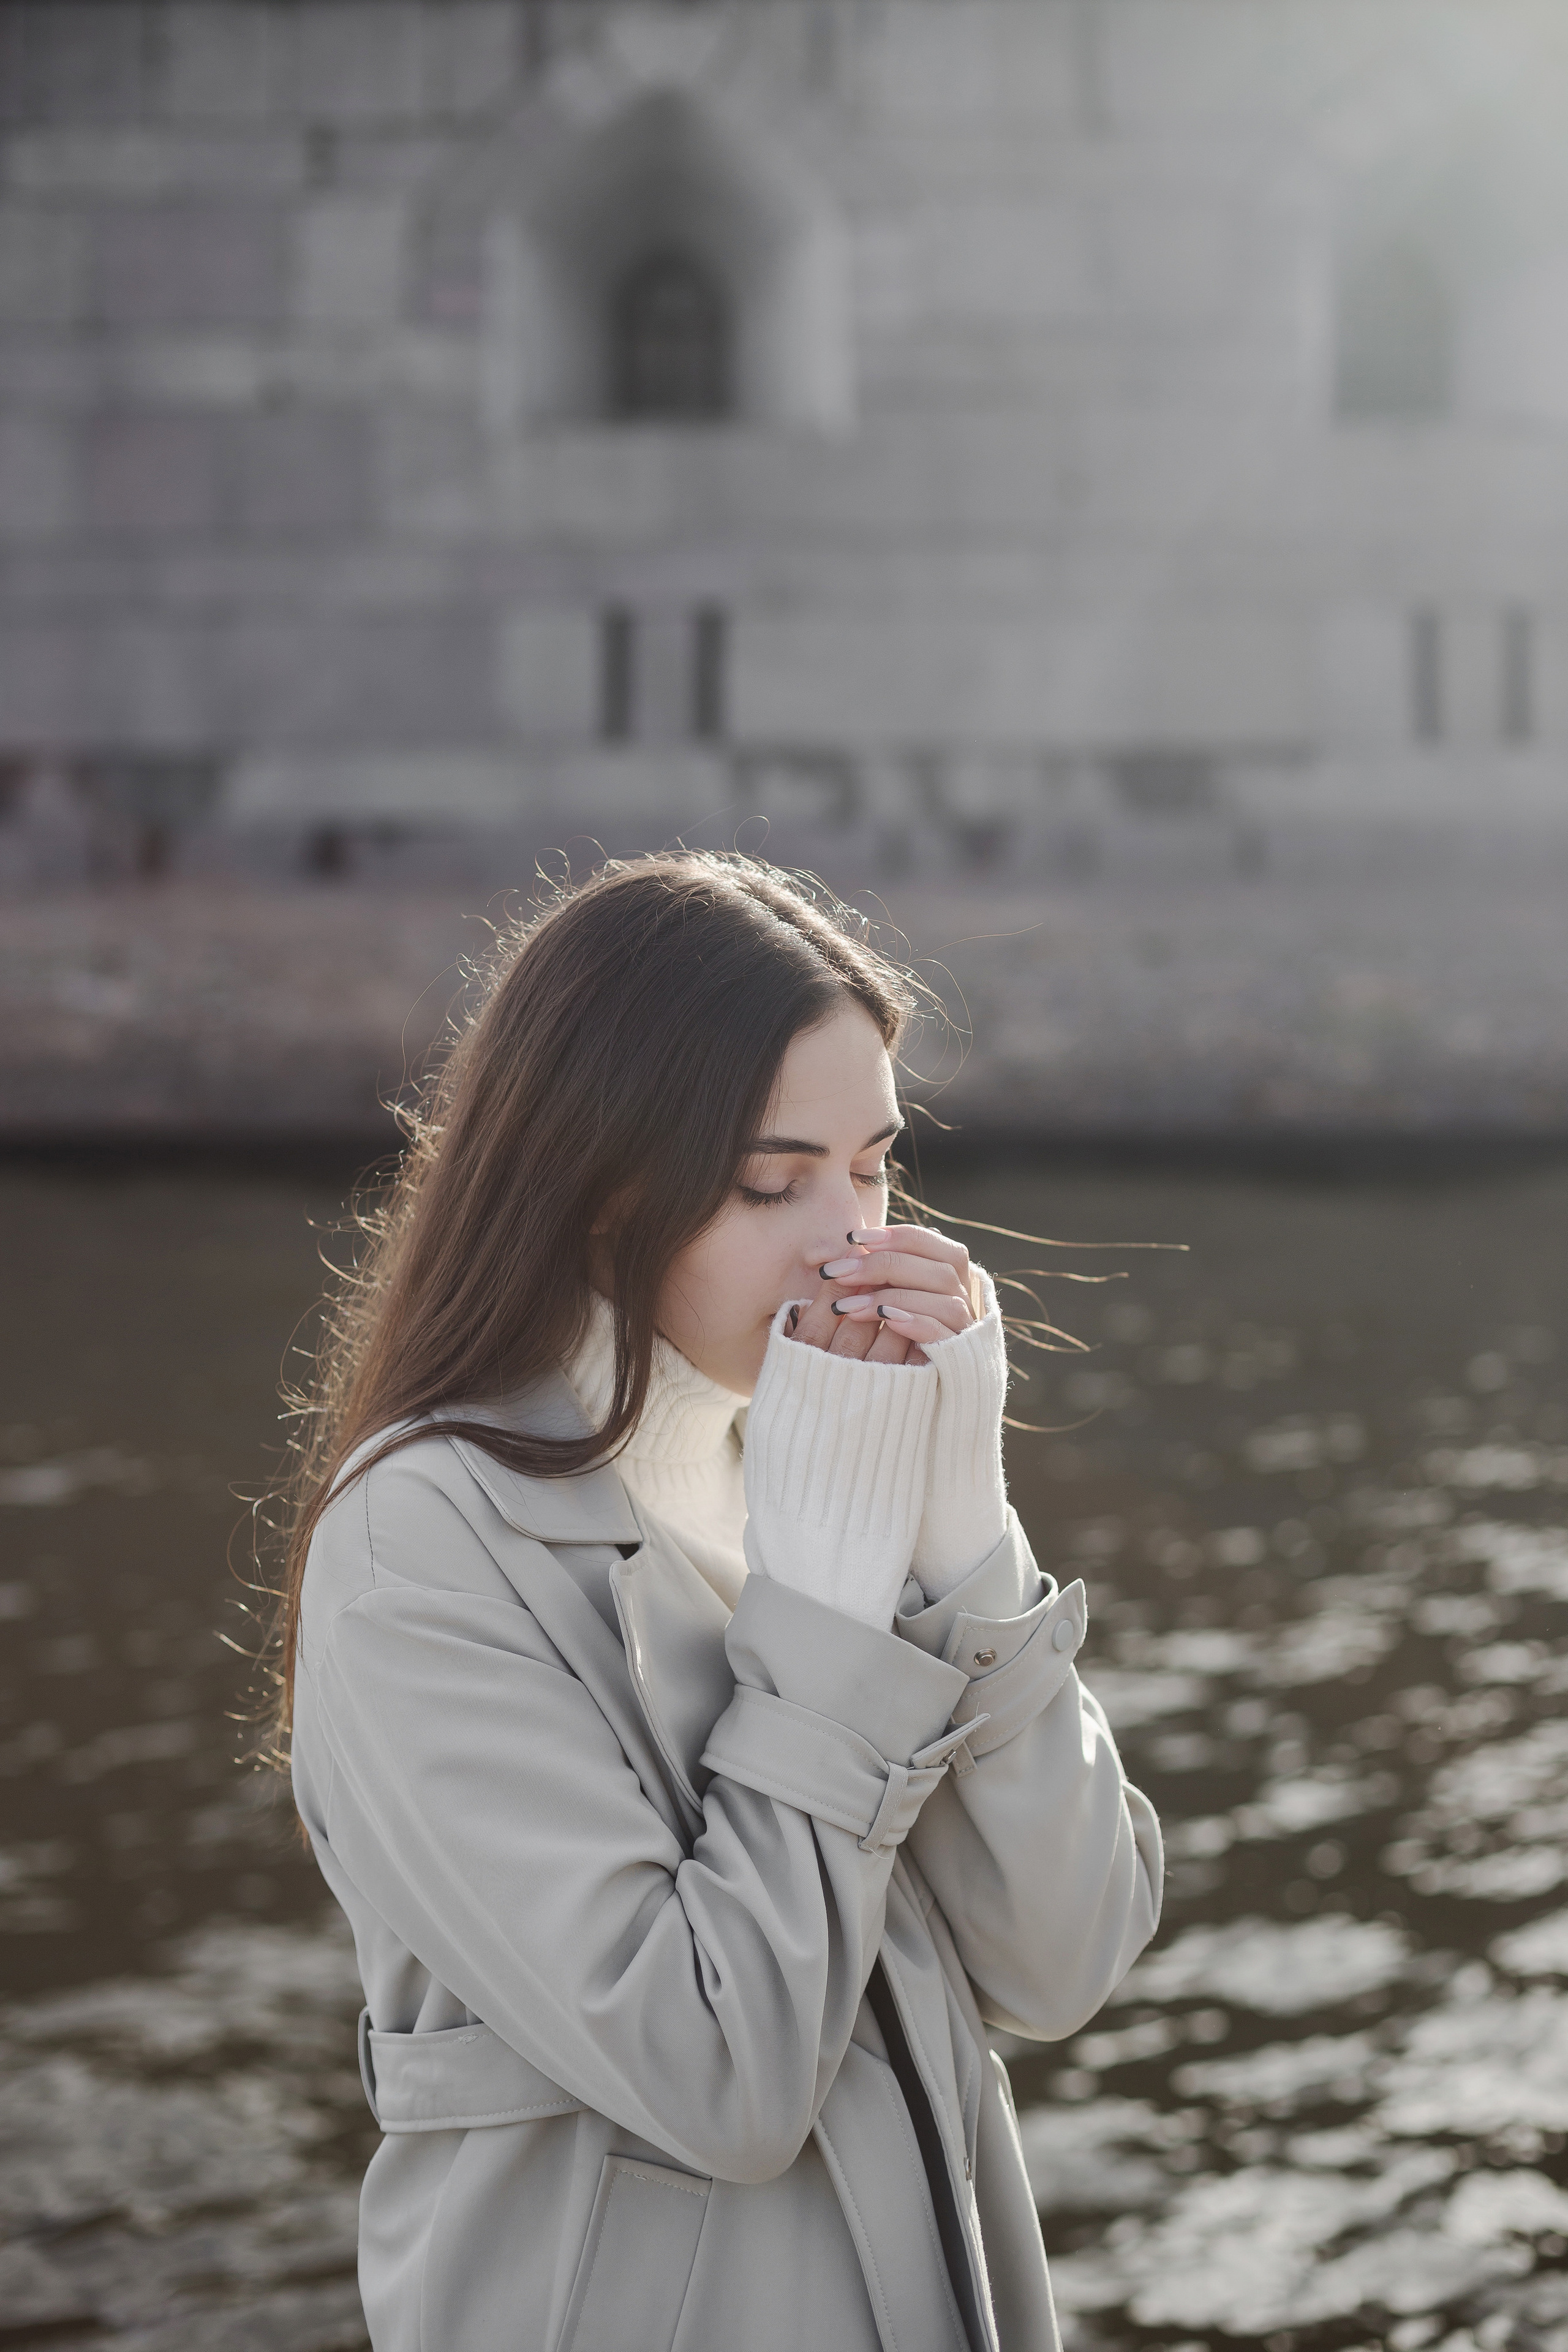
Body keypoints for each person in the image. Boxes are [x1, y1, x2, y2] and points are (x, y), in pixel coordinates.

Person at [279, 851, 1162, 2352]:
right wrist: (826, 1615)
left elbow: (1061, 1959)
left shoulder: (802, 1468)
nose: (847, 1237)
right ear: (600, 1184)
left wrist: (969, 1543)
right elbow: (720, 2078)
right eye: (773, 1181)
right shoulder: (420, 1545)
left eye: (873, 1167)